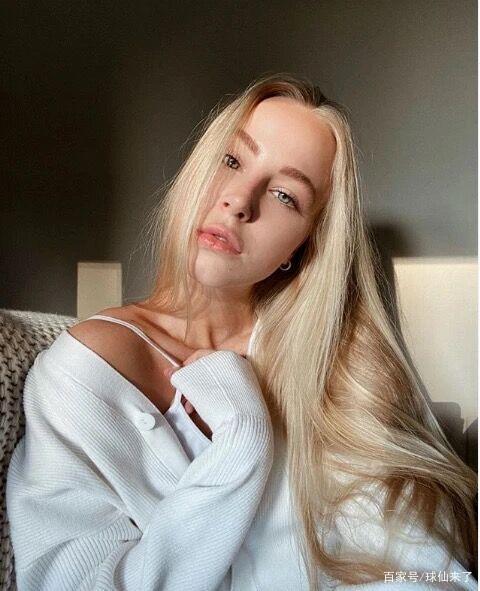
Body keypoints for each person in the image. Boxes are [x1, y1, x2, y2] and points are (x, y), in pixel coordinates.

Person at [6, 73, 477, 590]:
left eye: (285, 195)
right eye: (231, 160)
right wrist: (241, 442)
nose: (240, 201)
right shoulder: (83, 372)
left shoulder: (341, 364)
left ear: (303, 245)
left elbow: (424, 571)